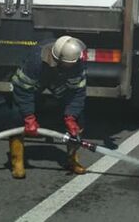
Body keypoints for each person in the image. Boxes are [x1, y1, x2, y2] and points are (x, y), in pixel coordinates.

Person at [8, 36, 88, 179]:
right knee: (17, 115)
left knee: (78, 120)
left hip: (60, 82)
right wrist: (29, 117)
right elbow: (22, 90)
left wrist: (71, 117)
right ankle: (17, 162)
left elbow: (77, 92)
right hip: (37, 80)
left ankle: (72, 160)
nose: (72, 66)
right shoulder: (36, 60)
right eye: (67, 64)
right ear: (57, 59)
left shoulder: (77, 62)